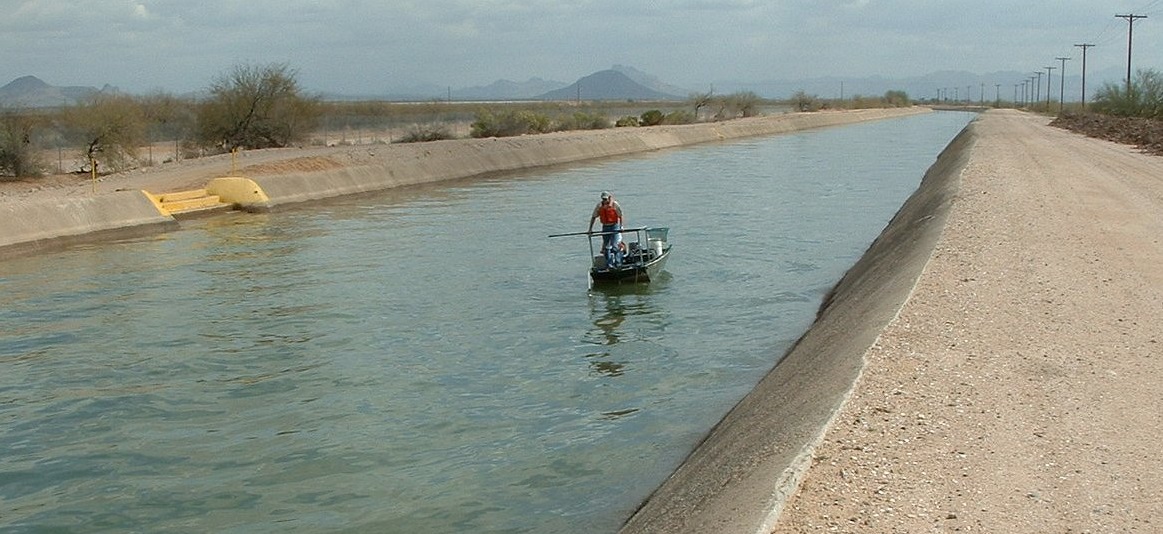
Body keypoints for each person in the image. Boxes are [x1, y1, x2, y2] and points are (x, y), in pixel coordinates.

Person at [588, 191, 624, 267]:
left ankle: (618, 263)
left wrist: (621, 226)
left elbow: (620, 216)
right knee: (607, 246)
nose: (605, 201)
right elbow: (593, 217)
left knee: (615, 245)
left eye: (606, 199)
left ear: (609, 198)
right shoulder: (599, 206)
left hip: (615, 226)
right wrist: (590, 229)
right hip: (605, 227)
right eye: (603, 199)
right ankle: (609, 264)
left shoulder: (615, 205)